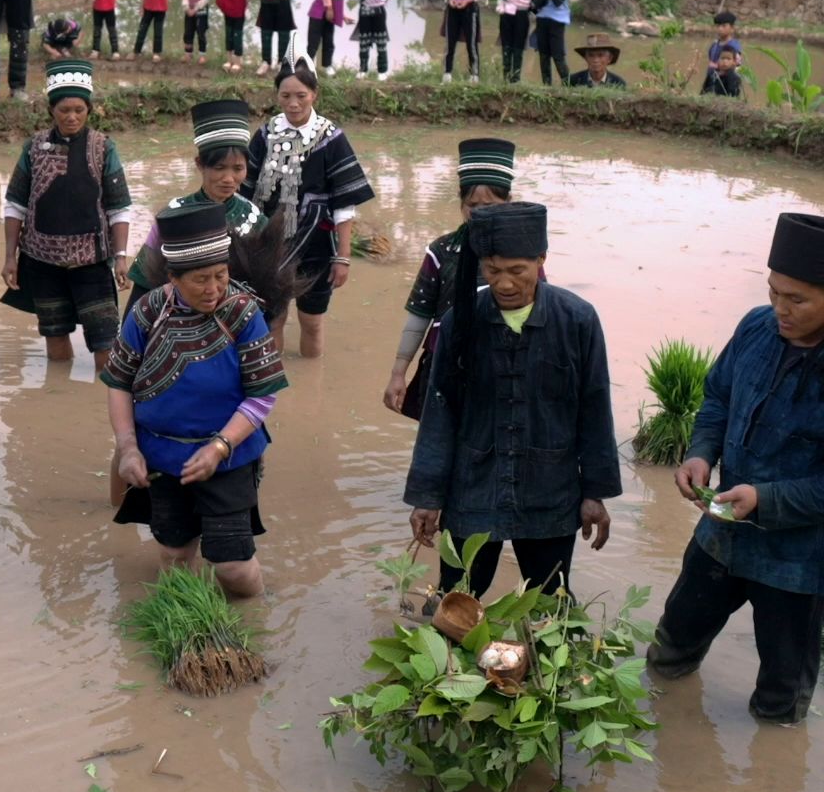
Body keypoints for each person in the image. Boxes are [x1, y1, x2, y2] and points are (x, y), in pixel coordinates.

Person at [647, 212, 824, 725]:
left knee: (780, 698)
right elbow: (718, 396)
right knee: (670, 650)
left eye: (797, 300)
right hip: (721, 534)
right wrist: (701, 452)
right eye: (774, 292)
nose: (780, 310)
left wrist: (766, 499)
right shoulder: (755, 327)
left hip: (798, 562)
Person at [404, 202, 619, 597]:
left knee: (550, 604)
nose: (504, 283)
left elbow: (595, 409)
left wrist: (594, 493)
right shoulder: (460, 323)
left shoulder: (578, 320)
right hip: (473, 488)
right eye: (492, 270)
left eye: (517, 271)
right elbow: (440, 415)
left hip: (549, 490)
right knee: (457, 601)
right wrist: (427, 498)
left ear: (541, 260)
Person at [105, 202, 289, 598]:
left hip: (229, 455)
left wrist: (219, 447)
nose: (214, 289)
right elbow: (119, 382)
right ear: (172, 277)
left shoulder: (243, 313)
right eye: (201, 279)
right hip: (162, 457)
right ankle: (188, 620)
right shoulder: (146, 312)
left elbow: (262, 396)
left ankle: (258, 615)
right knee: (173, 553)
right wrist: (128, 448)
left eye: (221, 276)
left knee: (234, 567)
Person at [242, 31, 375, 359]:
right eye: (285, 95)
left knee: (311, 322)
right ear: (277, 96)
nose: (293, 103)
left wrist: (343, 256)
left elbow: (344, 203)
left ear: (314, 94)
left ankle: (311, 383)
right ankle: (271, 389)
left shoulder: (330, 138)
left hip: (317, 247)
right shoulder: (265, 134)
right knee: (272, 320)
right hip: (268, 245)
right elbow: (244, 194)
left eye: (300, 95)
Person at [1, 59, 132, 371]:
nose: (72, 117)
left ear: (88, 110)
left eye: (79, 110)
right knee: (55, 337)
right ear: (51, 110)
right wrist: (10, 257)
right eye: (64, 110)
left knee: (105, 345)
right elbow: (15, 205)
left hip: (93, 262)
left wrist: (122, 256)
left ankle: (100, 407)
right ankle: (57, 394)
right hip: (41, 262)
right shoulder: (33, 148)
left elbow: (119, 207)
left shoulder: (103, 147)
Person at [384, 138, 517, 421]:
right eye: (472, 204)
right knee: (438, 449)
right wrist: (398, 373)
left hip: (502, 370)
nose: (479, 212)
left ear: (508, 203)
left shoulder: (523, 255)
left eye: (490, 205)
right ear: (461, 204)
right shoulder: (442, 251)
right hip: (443, 366)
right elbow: (419, 317)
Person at [125, 99, 272, 312]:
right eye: (219, 167)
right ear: (199, 164)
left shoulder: (256, 220)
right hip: (179, 323)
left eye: (238, 168)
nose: (229, 178)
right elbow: (144, 285)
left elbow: (268, 292)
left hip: (237, 323)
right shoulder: (172, 218)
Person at [306, 0, 356, 77]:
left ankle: (327, 66)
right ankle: (306, 67)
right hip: (319, 13)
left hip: (328, 14)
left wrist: (343, 17)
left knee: (328, 41)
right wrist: (329, 9)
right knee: (313, 42)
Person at [352, 0, 398, 81]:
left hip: (379, 12)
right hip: (364, 12)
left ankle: (382, 71)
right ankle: (363, 70)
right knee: (364, 42)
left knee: (381, 42)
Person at [531, 0, 571, 85]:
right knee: (543, 55)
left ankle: (568, 85)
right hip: (542, 21)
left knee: (558, 55)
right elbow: (537, 5)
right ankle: (547, 86)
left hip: (557, 22)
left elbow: (557, 1)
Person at [496, 0, 535, 84]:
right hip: (507, 14)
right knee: (506, 44)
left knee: (518, 45)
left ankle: (516, 77)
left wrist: (534, 13)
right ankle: (505, 76)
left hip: (522, 15)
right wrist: (500, 6)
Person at [216, 0, 252, 74]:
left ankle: (237, 62)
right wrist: (219, 1)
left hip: (239, 11)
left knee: (237, 35)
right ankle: (229, 60)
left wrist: (246, 8)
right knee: (229, 34)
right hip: (228, 10)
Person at [181, 0, 211, 65]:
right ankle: (188, 53)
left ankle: (202, 55)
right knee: (188, 32)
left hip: (201, 13)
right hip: (189, 12)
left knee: (201, 33)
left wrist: (196, 9)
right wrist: (186, 8)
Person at [706, 10, 742, 77]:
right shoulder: (714, 45)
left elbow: (737, 68)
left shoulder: (734, 47)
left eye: (723, 26)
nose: (720, 29)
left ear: (732, 28)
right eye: (718, 26)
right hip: (712, 80)